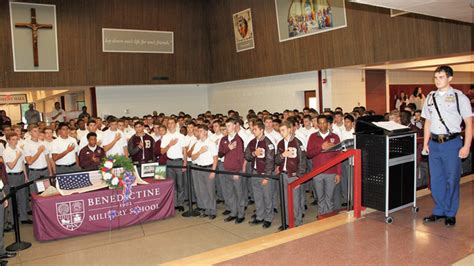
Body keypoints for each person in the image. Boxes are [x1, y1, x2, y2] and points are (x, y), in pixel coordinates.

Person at [421, 65, 472, 227]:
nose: (437, 80)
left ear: (450, 78)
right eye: (435, 77)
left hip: (452, 143)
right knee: (436, 180)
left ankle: (450, 213)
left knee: (452, 178)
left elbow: (469, 124)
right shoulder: (430, 97)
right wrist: (425, 143)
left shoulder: (459, 97)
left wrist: (466, 146)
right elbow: (428, 122)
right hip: (434, 144)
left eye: (441, 77)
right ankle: (439, 209)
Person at [306, 115, 342, 215]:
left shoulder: (335, 137)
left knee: (329, 198)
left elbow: (338, 156)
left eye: (324, 122)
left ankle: (329, 219)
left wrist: (338, 173)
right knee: (320, 199)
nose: (322, 125)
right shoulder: (313, 136)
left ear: (328, 124)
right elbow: (309, 154)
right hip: (317, 172)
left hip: (331, 172)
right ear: (317, 124)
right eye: (320, 123)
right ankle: (322, 217)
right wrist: (320, 147)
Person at [275, 121, 306, 229]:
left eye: (283, 130)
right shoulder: (280, 143)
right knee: (285, 200)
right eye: (280, 131)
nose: (281, 132)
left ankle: (298, 222)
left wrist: (299, 177)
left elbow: (302, 161)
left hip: (293, 176)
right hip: (283, 175)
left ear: (289, 129)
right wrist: (283, 155)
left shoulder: (298, 143)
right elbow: (276, 159)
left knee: (295, 201)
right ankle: (288, 221)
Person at [245, 120, 275, 229]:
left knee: (267, 197)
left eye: (255, 129)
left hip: (264, 173)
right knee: (257, 196)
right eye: (253, 129)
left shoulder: (268, 143)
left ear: (262, 130)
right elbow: (247, 155)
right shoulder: (252, 142)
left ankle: (268, 218)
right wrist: (254, 153)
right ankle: (260, 216)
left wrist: (267, 176)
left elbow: (270, 161)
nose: (253, 131)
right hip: (254, 172)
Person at [218, 118, 246, 224]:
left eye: (229, 125)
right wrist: (228, 148)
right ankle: (233, 212)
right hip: (226, 169)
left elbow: (240, 157)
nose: (227, 128)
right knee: (229, 193)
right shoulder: (223, 139)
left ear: (234, 126)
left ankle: (241, 214)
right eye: (226, 126)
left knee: (239, 193)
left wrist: (238, 171)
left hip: (235, 171)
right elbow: (220, 153)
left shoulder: (239, 140)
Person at [3, 132, 32, 224]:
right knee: (12, 200)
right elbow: (11, 166)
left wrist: (26, 176)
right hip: (12, 176)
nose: (15, 141)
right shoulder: (6, 152)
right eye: (13, 139)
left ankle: (24, 217)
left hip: (21, 175)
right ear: (8, 141)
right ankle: (12, 220)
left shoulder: (19, 149)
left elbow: (22, 164)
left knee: (23, 197)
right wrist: (17, 156)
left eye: (16, 139)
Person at [191, 124, 218, 219]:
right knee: (202, 191)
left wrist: (213, 171)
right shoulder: (197, 143)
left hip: (208, 168)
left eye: (201, 131)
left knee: (210, 191)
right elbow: (192, 157)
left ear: (206, 132)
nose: (199, 133)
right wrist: (200, 152)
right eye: (198, 131)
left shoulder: (211, 143)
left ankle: (213, 210)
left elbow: (215, 158)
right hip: (199, 168)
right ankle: (206, 209)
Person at [161, 117, 187, 212]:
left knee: (180, 184)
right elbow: (162, 151)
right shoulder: (165, 137)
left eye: (172, 123)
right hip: (169, 162)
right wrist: (169, 145)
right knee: (172, 184)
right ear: (167, 125)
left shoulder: (181, 136)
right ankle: (175, 203)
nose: (171, 125)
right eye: (169, 123)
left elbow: (184, 150)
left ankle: (181, 203)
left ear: (175, 124)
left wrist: (184, 163)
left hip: (179, 162)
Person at [23, 124, 52, 194]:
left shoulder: (43, 143)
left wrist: (50, 172)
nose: (37, 132)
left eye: (38, 130)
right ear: (30, 133)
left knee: (46, 193)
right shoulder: (27, 145)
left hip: (45, 171)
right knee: (35, 194)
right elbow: (29, 162)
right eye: (35, 131)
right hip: (34, 172)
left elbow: (47, 159)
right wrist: (39, 151)